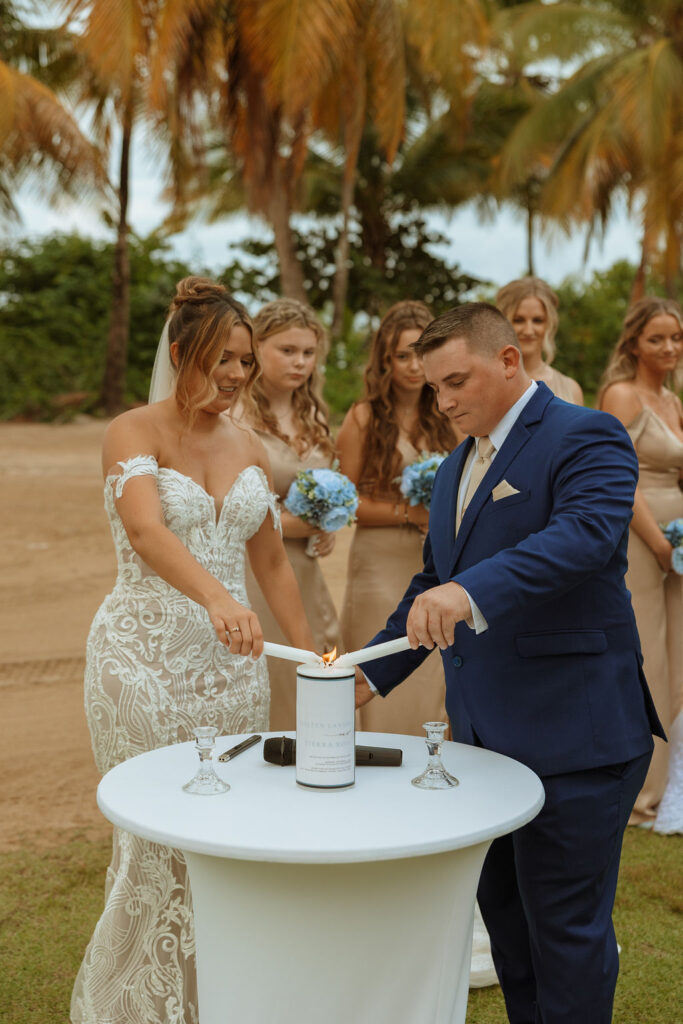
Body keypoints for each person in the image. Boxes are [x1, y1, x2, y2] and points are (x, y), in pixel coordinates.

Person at [354, 302, 662, 1024]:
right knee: (509, 927)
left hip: (575, 735)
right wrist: (368, 671)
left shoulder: (586, 434)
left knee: (565, 932)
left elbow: (584, 535)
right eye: (433, 387)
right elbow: (434, 579)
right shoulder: (456, 463)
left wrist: (472, 590)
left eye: (455, 380)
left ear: (508, 361)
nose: (445, 400)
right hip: (483, 743)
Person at [71, 277, 314, 1024]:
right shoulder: (131, 431)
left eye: (245, 362)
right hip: (141, 660)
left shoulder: (249, 444)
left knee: (224, 832)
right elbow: (148, 532)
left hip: (232, 672)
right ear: (180, 355)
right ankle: (139, 1006)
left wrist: (313, 661)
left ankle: (224, 999)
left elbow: (271, 561)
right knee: (153, 839)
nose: (236, 377)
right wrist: (216, 596)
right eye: (222, 362)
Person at [337, 300, 458, 736]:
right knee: (379, 655)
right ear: (384, 361)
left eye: (419, 354)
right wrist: (411, 511)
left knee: (429, 661)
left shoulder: (450, 415)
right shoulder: (363, 417)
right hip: (377, 560)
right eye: (400, 355)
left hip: (433, 559)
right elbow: (346, 502)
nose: (411, 366)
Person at [598, 296, 683, 830]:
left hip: (678, 545)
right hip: (643, 542)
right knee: (648, 659)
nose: (670, 348)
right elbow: (618, 477)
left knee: (678, 662)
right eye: (658, 339)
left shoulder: (672, 399)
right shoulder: (621, 394)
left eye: (676, 338)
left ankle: (671, 788)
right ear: (634, 342)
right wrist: (659, 546)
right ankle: (639, 795)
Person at [238, 297, 341, 730]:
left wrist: (329, 524)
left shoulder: (315, 413)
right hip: (253, 567)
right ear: (258, 347)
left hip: (306, 567)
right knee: (271, 674)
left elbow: (324, 488)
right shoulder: (235, 414)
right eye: (287, 351)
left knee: (317, 660)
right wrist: (302, 523)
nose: (300, 362)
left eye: (308, 353)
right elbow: (232, 505)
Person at [496, 276, 583, 404]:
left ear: (549, 324)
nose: (528, 331)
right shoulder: (487, 383)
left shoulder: (571, 389)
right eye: (518, 320)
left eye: (537, 320)